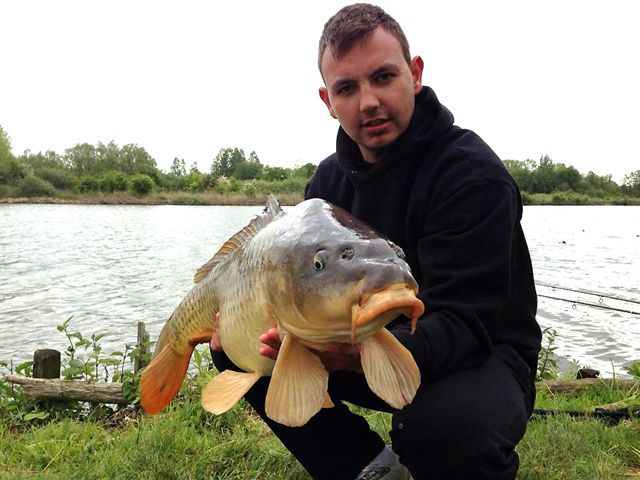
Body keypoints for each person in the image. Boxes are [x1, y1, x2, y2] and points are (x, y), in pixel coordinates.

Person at [210, 4, 541, 479]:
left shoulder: (471, 175)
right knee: (243, 352)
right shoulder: (327, 181)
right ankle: (369, 468)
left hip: (485, 355)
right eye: (347, 87)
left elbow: (465, 325)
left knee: (440, 426)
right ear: (328, 100)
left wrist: (355, 351)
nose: (368, 102)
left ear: (415, 73)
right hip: (364, 344)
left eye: (383, 77)